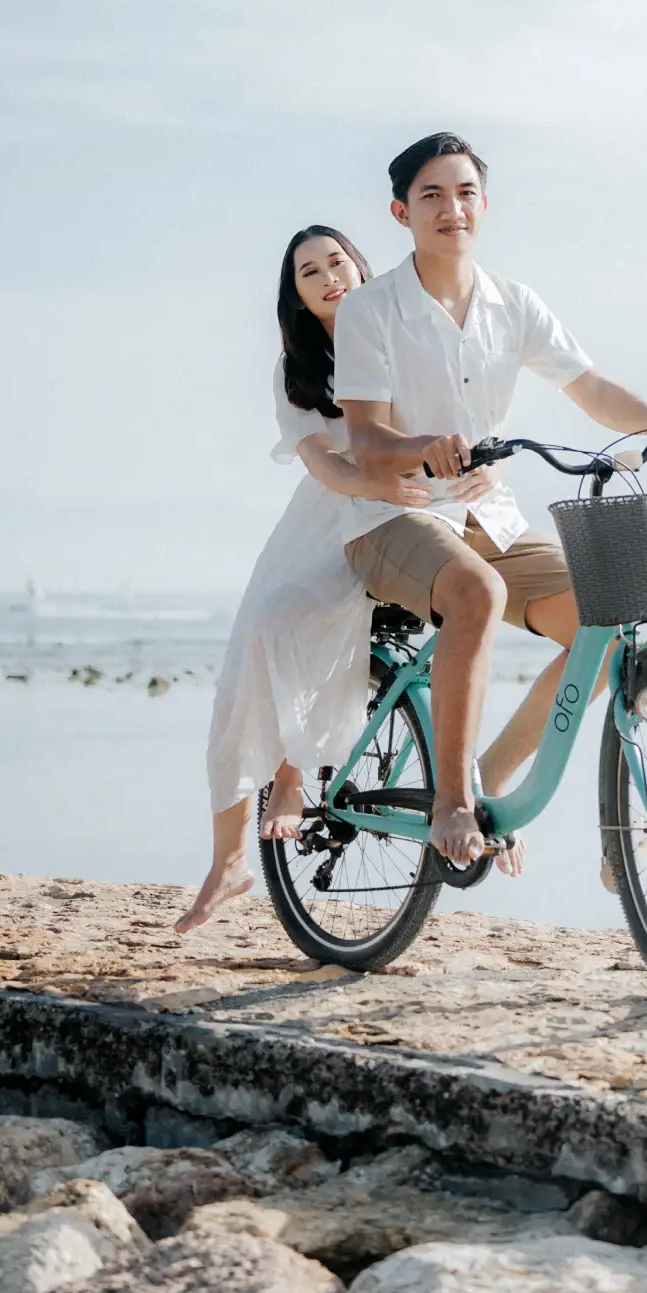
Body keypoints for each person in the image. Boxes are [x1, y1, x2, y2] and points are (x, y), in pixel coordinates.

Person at [333, 130, 647, 875]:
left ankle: (492, 775)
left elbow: (591, 389)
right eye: (432, 195)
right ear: (401, 212)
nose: (452, 208)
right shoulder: (370, 310)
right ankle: (453, 800)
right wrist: (423, 446)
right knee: (475, 592)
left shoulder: (513, 304)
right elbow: (366, 441)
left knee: (606, 623)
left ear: (485, 204)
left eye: (466, 192)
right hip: (394, 516)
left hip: (487, 513)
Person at [175, 224, 434, 936]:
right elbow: (324, 464)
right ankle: (231, 858)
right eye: (309, 272)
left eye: (336, 262)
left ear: (361, 267)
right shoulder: (295, 372)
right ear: (295, 294)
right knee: (254, 647)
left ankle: (470, 797)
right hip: (324, 522)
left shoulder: (403, 337)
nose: (328, 278)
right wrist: (377, 485)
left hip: (410, 511)